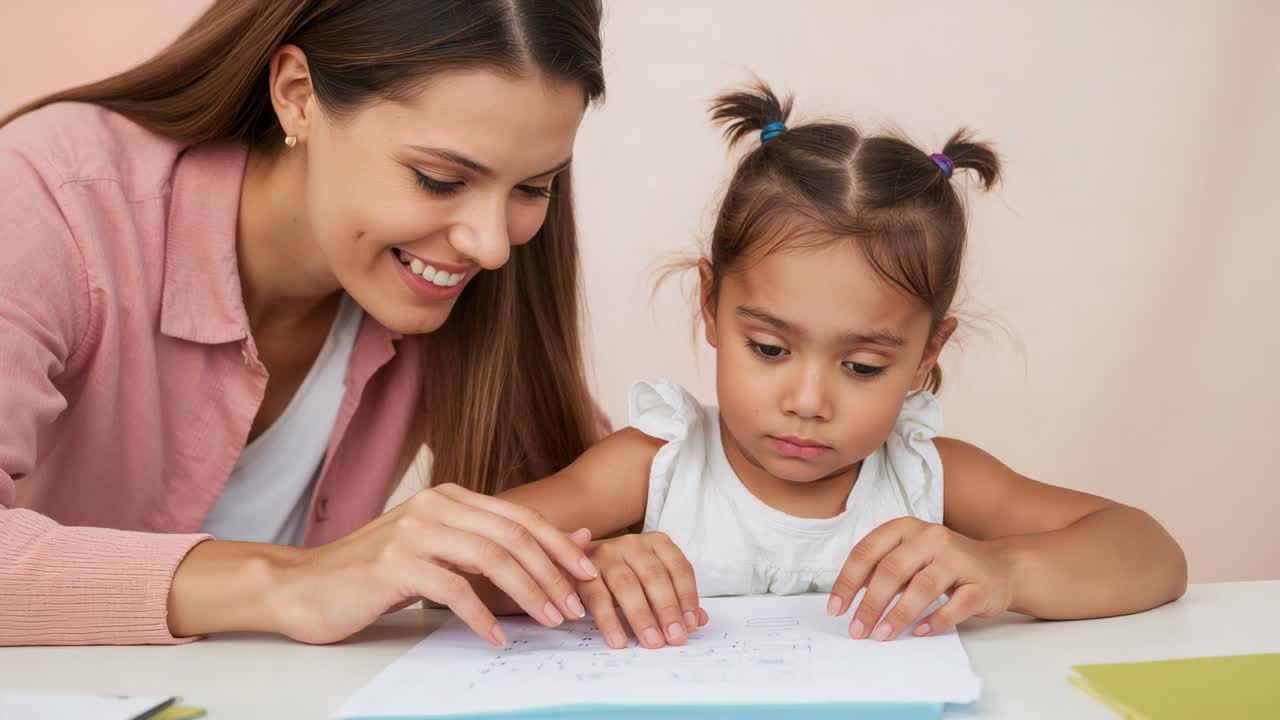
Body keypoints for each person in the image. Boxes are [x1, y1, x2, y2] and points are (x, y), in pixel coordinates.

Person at [0, 0, 611, 648]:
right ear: (297, 96)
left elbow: (599, 471)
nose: (491, 246)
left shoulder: (459, 272)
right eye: (437, 180)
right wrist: (297, 581)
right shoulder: (47, 200)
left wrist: (600, 558)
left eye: (535, 188)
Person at [496, 83, 1189, 651]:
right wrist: (580, 569)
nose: (807, 399)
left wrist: (1004, 568)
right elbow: (455, 558)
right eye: (769, 349)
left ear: (925, 355)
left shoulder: (927, 477)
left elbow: (1152, 555)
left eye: (861, 366)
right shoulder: (658, 464)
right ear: (711, 304)